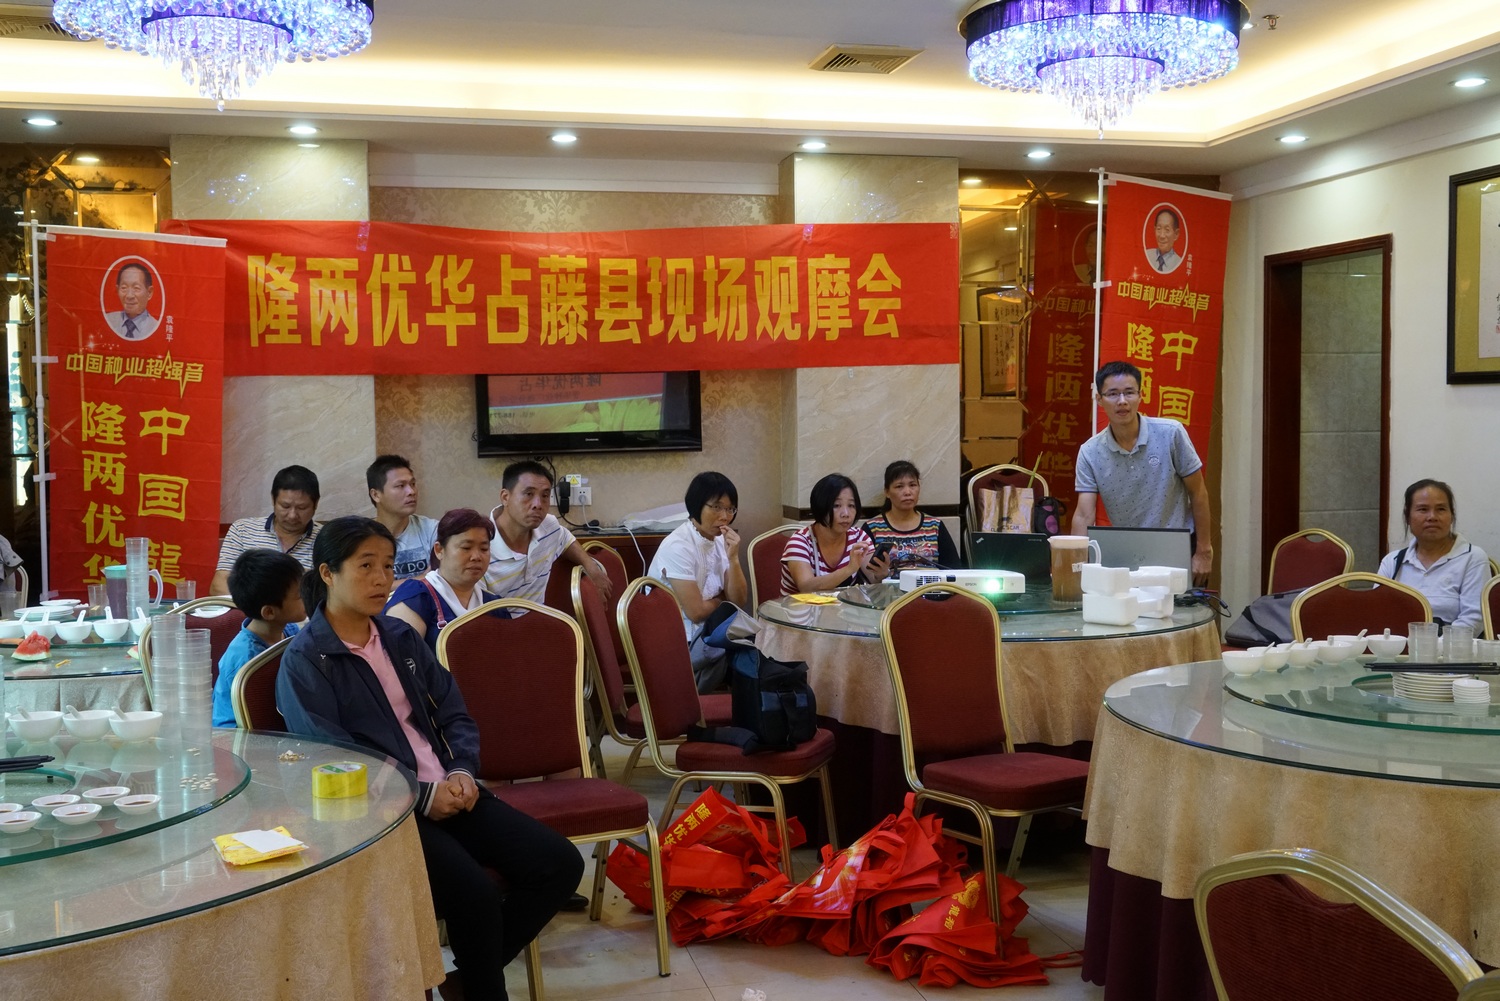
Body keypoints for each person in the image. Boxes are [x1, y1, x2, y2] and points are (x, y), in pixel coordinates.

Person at [276, 516, 583, 1001]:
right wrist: (420, 796)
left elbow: (455, 713)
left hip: (450, 789)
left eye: (388, 566)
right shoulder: (307, 660)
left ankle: (465, 982)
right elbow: (334, 759)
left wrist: (461, 771)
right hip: (384, 813)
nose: (382, 579)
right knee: (474, 894)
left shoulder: (399, 638)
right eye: (366, 566)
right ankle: (483, 990)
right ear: (328, 574)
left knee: (559, 864)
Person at [1071, 360, 1214, 585]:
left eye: (1129, 392)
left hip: (1178, 547)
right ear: (1099, 399)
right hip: (1127, 551)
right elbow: (1083, 514)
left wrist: (1204, 552)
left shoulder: (1171, 434)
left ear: (1141, 395)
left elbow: (1198, 493)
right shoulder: (1090, 452)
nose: (1122, 401)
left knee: (1183, 606)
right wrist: (1076, 566)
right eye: (1112, 394)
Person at [646, 471, 749, 692]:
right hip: (678, 642)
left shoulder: (719, 540)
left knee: (757, 651)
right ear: (696, 506)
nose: (724, 516)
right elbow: (696, 612)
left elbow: (739, 600)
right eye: (717, 507)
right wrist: (723, 599)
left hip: (710, 634)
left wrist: (733, 558)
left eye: (730, 509)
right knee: (747, 658)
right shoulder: (678, 546)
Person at [483, 460, 613, 604]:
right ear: (505, 497)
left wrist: (593, 570)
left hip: (542, 616)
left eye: (545, 496)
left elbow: (566, 539)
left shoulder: (548, 526)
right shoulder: (480, 545)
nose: (538, 504)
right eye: (528, 494)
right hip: (495, 618)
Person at [1377, 479, 1491, 631]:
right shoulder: (1392, 561)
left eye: (1441, 509)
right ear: (1407, 517)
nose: (1432, 517)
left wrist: (1430, 643)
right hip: (1399, 643)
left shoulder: (1473, 558)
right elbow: (1378, 613)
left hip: (1453, 645)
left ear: (1452, 516)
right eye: (1423, 509)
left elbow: (1474, 620)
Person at [385, 508, 502, 654]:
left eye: (484, 549)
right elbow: (400, 660)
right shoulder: (415, 597)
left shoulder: (495, 606)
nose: (476, 557)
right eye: (466, 548)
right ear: (439, 550)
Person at [211, 549, 305, 727]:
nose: (307, 596)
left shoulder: (290, 630)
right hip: (237, 733)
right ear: (269, 612)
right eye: (300, 595)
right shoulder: (244, 657)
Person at [211, 464, 322, 594]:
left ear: (316, 504)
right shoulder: (242, 530)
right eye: (285, 506)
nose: (292, 515)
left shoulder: (327, 538)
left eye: (301, 508)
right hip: (247, 607)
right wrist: (259, 605)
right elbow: (219, 586)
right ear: (273, 500)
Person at [781, 473, 890, 595]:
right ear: (820, 506)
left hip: (842, 607)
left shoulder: (859, 537)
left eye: (851, 505)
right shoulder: (800, 542)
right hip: (798, 607)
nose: (846, 514)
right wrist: (849, 569)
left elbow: (872, 578)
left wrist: (881, 574)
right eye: (836, 505)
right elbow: (806, 587)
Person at [861, 460, 960, 572]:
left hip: (931, 583)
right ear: (887, 492)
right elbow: (865, 574)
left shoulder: (935, 526)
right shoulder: (872, 528)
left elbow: (954, 569)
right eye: (899, 486)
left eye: (912, 485)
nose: (907, 492)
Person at [368, 453, 439, 580]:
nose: (411, 492)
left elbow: (441, 579)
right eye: (400, 486)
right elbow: (364, 585)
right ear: (376, 495)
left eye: (413, 484)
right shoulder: (362, 537)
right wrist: (422, 578)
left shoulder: (431, 530)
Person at [104, 261, 160, 340]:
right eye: (124, 288)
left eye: (136, 288)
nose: (129, 295)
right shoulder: (107, 321)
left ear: (149, 292)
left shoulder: (156, 328)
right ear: (117, 290)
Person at [1148, 207, 1182, 274]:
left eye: (1167, 230)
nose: (1162, 236)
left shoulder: (1179, 263)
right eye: (1159, 229)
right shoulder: (1147, 255)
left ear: (1176, 234)